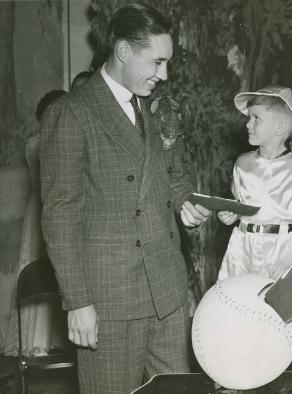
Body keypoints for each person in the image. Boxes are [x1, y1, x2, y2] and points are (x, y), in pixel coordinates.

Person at [39, 4, 209, 393]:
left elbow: (168, 175)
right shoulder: (72, 113)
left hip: (166, 293)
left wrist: (184, 203)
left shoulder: (150, 109)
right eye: (157, 62)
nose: (163, 74)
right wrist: (77, 302)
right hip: (108, 301)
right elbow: (60, 216)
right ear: (123, 51)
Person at [217, 86, 292, 281]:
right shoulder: (242, 163)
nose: (248, 124)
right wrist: (230, 215)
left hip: (278, 251)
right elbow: (240, 207)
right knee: (236, 303)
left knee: (271, 306)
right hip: (241, 248)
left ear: (279, 128)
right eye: (249, 118)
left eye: (256, 118)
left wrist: (288, 259)